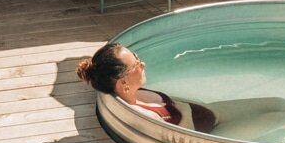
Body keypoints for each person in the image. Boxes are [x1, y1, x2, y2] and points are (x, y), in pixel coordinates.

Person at [78, 42, 218, 130]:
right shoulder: (145, 117)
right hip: (216, 128)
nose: (143, 64)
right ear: (123, 81)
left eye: (136, 57)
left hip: (213, 114)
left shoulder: (130, 93)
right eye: (136, 65)